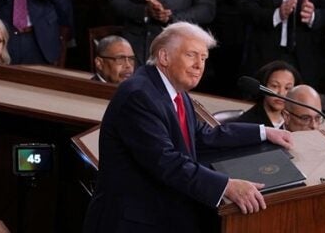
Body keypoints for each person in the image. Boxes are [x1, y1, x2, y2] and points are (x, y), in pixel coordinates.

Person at [82, 21, 293, 232]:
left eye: (203, 58)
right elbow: (166, 161)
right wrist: (226, 186)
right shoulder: (139, 95)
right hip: (131, 223)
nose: (199, 65)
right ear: (164, 57)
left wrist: (263, 132)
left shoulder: (176, 92)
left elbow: (201, 136)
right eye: (191, 55)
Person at [236, 60, 302, 128]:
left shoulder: (296, 123)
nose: (281, 93)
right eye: (275, 86)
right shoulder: (245, 124)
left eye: (287, 88)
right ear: (263, 85)